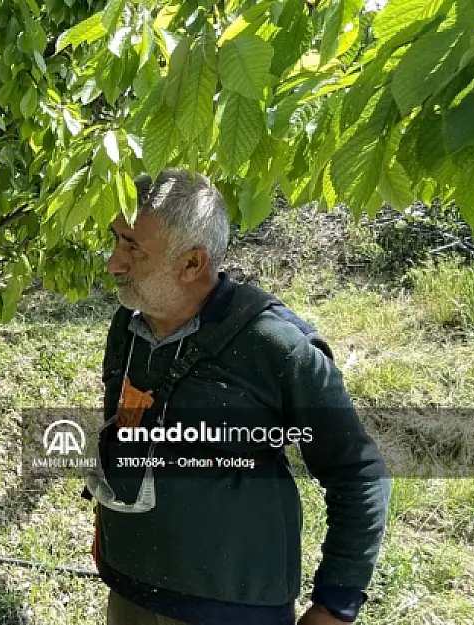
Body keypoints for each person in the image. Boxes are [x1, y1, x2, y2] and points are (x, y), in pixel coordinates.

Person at [86, 169, 391, 625]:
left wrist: (336, 604)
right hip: (130, 588)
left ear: (192, 264)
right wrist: (109, 525)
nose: (113, 263)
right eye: (116, 240)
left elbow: (359, 471)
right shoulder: (128, 326)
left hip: (230, 607)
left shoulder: (276, 346)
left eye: (133, 247)